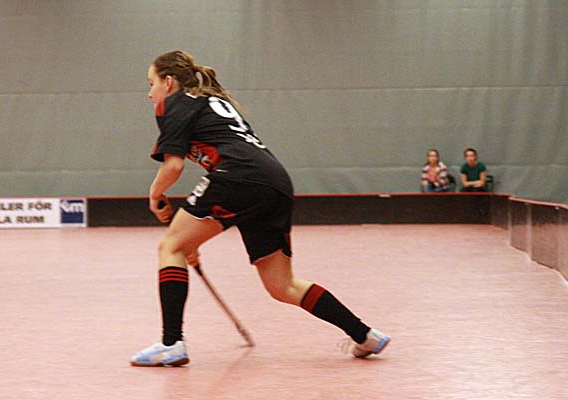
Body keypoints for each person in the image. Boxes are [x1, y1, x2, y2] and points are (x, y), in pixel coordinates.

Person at [130, 50, 390, 366]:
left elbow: (173, 166)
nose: (150, 93)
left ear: (168, 82)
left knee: (169, 246)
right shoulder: (210, 102)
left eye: (151, 83)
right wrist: (191, 241)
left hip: (237, 176)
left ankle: (171, 344)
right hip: (274, 182)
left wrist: (155, 194)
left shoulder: (174, 103)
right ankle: (365, 335)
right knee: (282, 286)